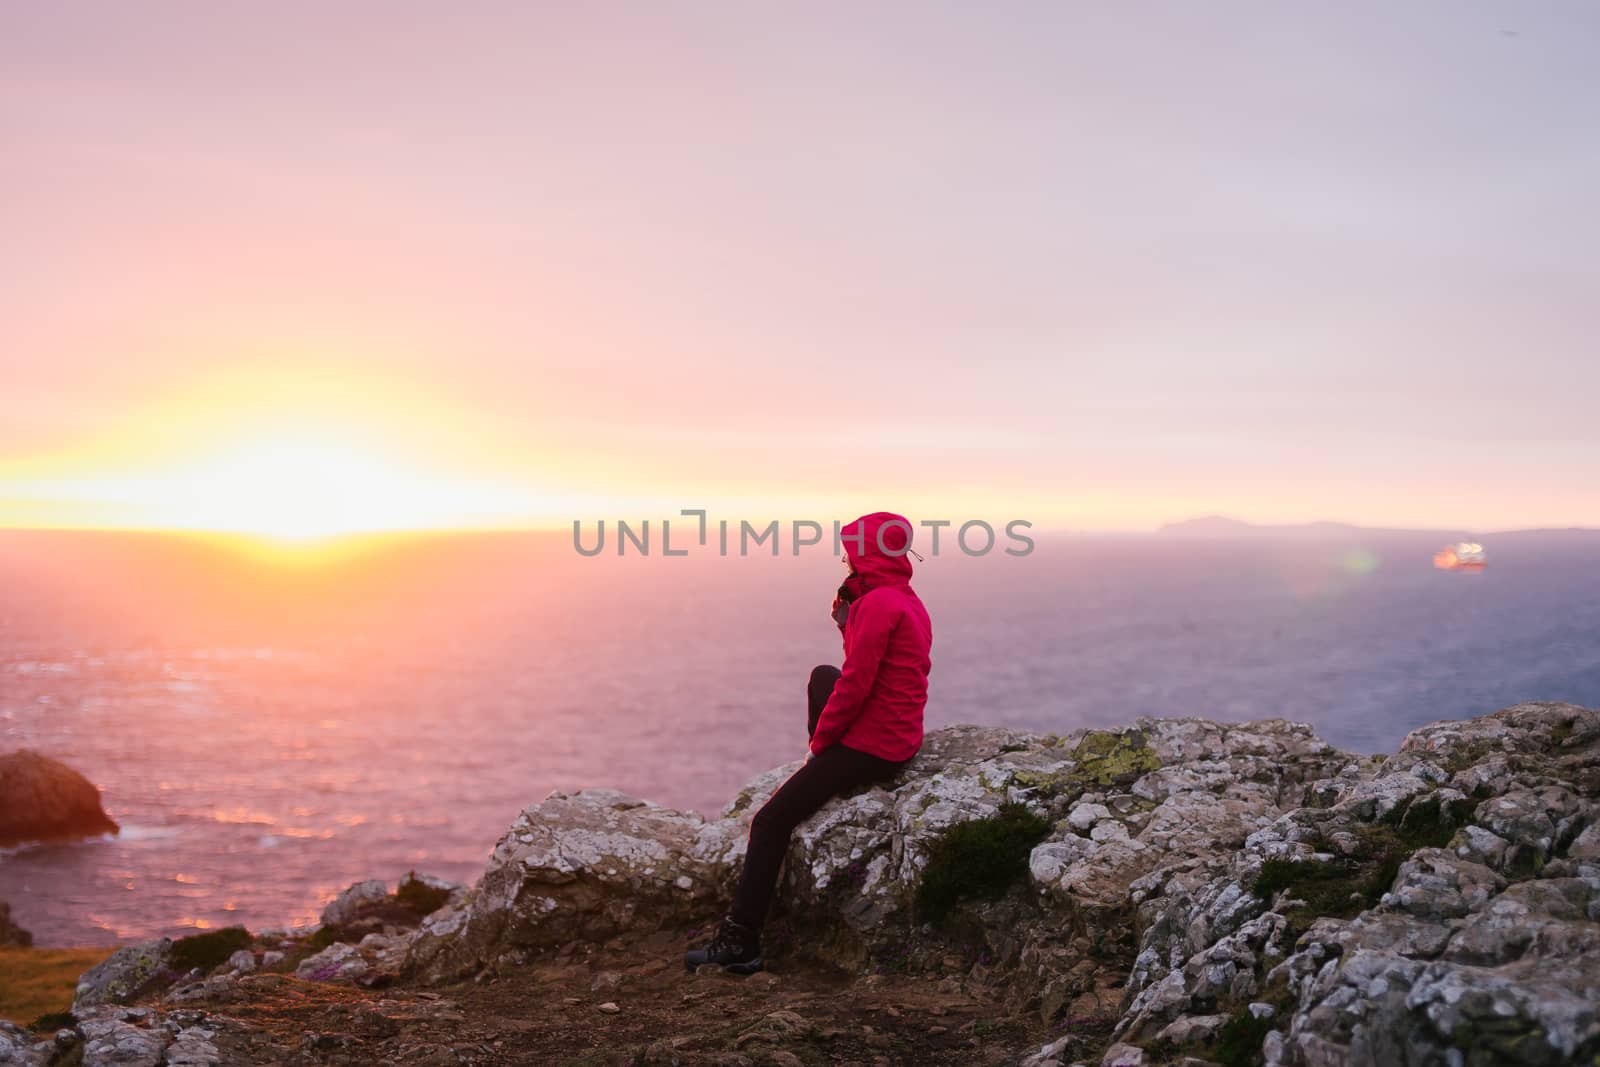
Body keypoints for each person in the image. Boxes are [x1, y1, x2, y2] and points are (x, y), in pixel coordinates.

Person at [685, 512, 933, 973]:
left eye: (851, 547)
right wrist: (847, 618)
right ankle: (833, 773)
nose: (844, 555)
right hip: (900, 735)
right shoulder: (903, 598)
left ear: (867, 552)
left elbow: (857, 687)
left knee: (770, 821)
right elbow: (861, 669)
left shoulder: (877, 605)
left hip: (874, 746)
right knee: (823, 676)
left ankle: (741, 942)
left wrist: (820, 748)